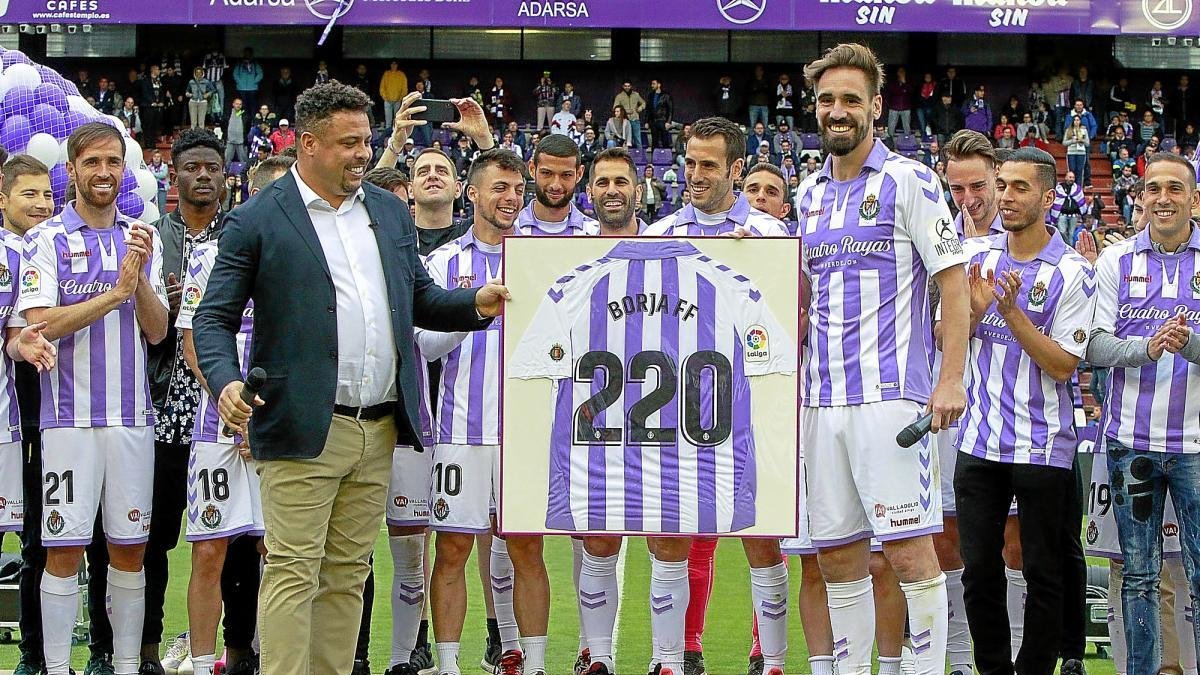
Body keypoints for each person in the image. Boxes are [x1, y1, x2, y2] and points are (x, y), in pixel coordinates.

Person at [192, 81, 506, 675]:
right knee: (292, 569)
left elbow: (418, 298)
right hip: (300, 424)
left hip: (380, 425)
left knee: (347, 573)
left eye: (367, 140)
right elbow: (213, 318)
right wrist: (226, 381)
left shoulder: (387, 210)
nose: (364, 153)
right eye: (349, 143)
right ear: (308, 144)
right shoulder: (256, 218)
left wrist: (476, 304)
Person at [794, 43, 969, 675]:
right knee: (837, 557)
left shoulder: (910, 182)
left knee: (910, 555)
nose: (837, 111)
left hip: (891, 399)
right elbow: (802, 298)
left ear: (875, 106)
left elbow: (953, 278)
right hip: (821, 401)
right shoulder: (808, 195)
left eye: (849, 99)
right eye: (826, 100)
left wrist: (950, 380)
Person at [18, 122, 170, 675]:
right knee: (62, 550)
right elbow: (40, 324)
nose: (103, 172)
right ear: (72, 170)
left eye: (113, 162)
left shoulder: (138, 236)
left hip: (132, 420)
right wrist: (115, 295)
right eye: (92, 163)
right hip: (68, 422)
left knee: (129, 549)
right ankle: (58, 668)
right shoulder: (46, 240)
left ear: (124, 170)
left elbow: (157, 332)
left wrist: (141, 284)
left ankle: (126, 664)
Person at [955, 146, 1097, 675]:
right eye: (1004, 186)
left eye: (1021, 188)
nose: (1008, 197)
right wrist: (971, 313)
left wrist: (1012, 314)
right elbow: (956, 337)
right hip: (978, 442)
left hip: (1043, 444)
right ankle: (991, 668)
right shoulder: (979, 259)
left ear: (1048, 196)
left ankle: (1036, 667)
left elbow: (1063, 365)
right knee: (979, 573)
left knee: (1044, 570)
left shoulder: (1072, 273)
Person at [1088, 152, 1200, 675]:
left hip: (1197, 447)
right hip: (1130, 444)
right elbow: (1094, 347)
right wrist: (1148, 349)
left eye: (1174, 188)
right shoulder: (1115, 262)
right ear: (1141, 199)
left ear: (1193, 199)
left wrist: (1189, 345)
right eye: (1153, 188)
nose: (1163, 198)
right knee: (1137, 575)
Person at [422, 149, 526, 675]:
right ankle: (448, 663)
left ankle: (521, 658)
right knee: (454, 548)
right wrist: (472, 312)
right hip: (460, 428)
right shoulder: (443, 263)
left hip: (524, 434)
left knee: (523, 549)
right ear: (474, 193)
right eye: (499, 188)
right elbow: (420, 344)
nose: (510, 198)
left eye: (516, 189)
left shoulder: (537, 255)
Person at [0, 154, 64, 675]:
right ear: (3, 199)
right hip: (15, 409)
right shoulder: (9, 255)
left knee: (43, 540)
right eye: (29, 195)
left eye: (47, 194)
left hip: (50, 416)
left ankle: (36, 654)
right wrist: (22, 344)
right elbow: (13, 337)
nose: (41, 204)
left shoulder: (58, 248)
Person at [645, 117, 787, 238]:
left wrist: (765, 258)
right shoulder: (655, 235)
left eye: (708, 165)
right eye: (690, 163)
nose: (695, 177)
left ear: (736, 169)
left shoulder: (771, 232)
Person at [515, 134, 599, 237]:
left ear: (579, 174)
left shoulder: (596, 234)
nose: (556, 185)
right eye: (546, 173)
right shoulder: (510, 230)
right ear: (532, 169)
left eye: (566, 175)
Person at [587, 147, 648, 235]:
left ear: (638, 193)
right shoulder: (577, 248)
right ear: (589, 193)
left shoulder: (664, 246)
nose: (611, 191)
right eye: (602, 183)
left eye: (621, 183)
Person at [232, 49, 263, 123]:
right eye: (246, 53)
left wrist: (254, 82)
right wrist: (239, 82)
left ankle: (253, 121)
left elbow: (260, 74)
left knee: (253, 106)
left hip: (253, 88)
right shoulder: (239, 64)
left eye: (249, 54)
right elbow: (235, 74)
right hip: (241, 88)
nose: (247, 55)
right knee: (242, 106)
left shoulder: (255, 64)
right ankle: (241, 120)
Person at [613, 81, 646, 150]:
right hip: (624, 120)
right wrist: (625, 112)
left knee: (638, 139)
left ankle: (639, 157)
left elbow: (644, 103)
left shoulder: (636, 95)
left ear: (631, 86)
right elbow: (615, 107)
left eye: (628, 86)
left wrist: (641, 107)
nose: (627, 87)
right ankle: (626, 156)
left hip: (635, 119)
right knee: (625, 139)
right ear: (623, 86)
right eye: (625, 86)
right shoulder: (619, 96)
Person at [379, 61, 409, 133]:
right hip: (387, 100)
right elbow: (382, 87)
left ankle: (396, 134)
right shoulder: (386, 74)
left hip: (398, 100)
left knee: (397, 119)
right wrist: (385, 97)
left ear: (397, 65)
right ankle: (387, 135)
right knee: (388, 121)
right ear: (390, 65)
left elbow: (404, 88)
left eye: (395, 64)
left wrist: (400, 98)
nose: (394, 65)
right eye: (392, 64)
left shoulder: (401, 75)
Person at [1064, 116, 1091, 187]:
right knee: (1072, 170)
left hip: (1081, 152)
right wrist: (1072, 141)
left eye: (1078, 120)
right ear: (1072, 121)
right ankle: (1071, 187)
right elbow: (1064, 143)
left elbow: (1088, 143)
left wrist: (1082, 140)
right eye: (1075, 120)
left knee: (1080, 171)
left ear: (1080, 121)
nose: (1076, 121)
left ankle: (1078, 188)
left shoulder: (1084, 130)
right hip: (1071, 152)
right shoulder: (1068, 130)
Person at [225, 97, 249, 165]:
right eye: (237, 104)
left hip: (241, 141)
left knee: (244, 161)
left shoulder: (244, 114)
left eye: (240, 104)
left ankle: (244, 174)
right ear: (233, 104)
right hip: (229, 141)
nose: (238, 105)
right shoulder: (228, 113)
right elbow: (223, 124)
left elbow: (248, 127)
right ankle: (225, 174)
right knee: (226, 160)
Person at [149, 150, 171, 216]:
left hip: (162, 189)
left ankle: (162, 222)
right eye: (155, 156)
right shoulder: (149, 167)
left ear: (161, 158)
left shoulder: (164, 166)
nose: (156, 158)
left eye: (158, 157)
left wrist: (153, 174)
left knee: (162, 207)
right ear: (152, 158)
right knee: (153, 207)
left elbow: (163, 175)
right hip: (152, 190)